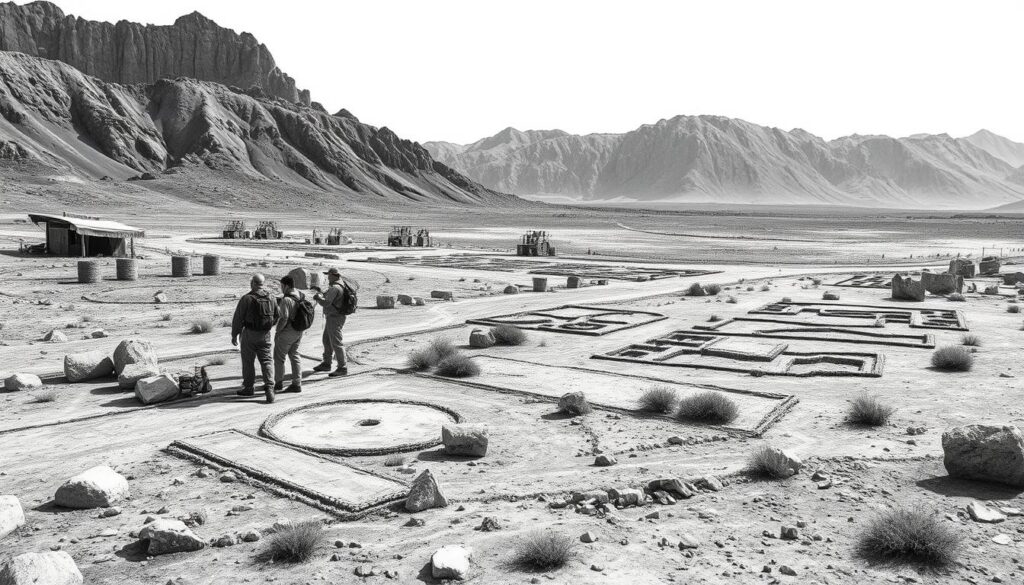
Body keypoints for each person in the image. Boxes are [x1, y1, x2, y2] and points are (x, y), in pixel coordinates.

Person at [231, 273, 278, 403]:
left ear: (252, 283)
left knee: (248, 362)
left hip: (249, 334)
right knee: (267, 361)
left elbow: (238, 318)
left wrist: (235, 334)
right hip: (265, 335)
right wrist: (267, 327)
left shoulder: (247, 298)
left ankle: (248, 387)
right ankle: (269, 388)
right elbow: (277, 315)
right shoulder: (271, 297)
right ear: (262, 284)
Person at [312, 266, 349, 377]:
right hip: (334, 317)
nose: (327, 277)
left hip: (334, 317)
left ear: (333, 276)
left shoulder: (335, 288)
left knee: (336, 343)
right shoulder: (339, 285)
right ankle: (326, 363)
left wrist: (318, 298)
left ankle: (342, 367)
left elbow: (326, 303)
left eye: (328, 275)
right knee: (327, 340)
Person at [273, 275, 306, 393]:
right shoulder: (300, 295)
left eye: (281, 286)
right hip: (299, 331)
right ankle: (297, 383)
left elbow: (284, 318)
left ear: (286, 286)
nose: (281, 288)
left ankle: (278, 383)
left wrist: (278, 331)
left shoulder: (286, 300)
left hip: (288, 332)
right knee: (294, 355)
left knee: (279, 357)